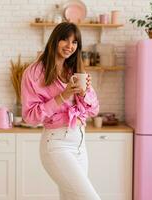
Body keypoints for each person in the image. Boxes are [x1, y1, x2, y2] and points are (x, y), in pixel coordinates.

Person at [21, 22, 101, 200]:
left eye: (74, 42)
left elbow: (94, 110)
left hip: (80, 144)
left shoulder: (74, 71)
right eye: (65, 39)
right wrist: (62, 96)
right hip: (57, 145)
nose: (69, 46)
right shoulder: (34, 73)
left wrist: (85, 92)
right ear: (54, 40)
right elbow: (30, 117)